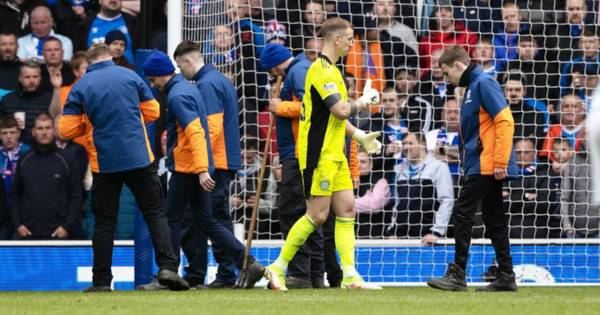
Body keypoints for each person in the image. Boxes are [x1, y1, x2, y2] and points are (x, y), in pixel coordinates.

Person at [263, 17, 383, 291]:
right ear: (337, 39)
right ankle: (277, 267)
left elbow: (336, 118)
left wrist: (359, 136)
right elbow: (341, 110)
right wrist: (364, 102)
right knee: (317, 215)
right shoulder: (319, 71)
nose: (353, 43)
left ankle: (350, 276)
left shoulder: (334, 71)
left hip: (336, 153)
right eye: (350, 38)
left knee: (347, 210)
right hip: (318, 156)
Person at [57, 44, 187, 292]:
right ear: (110, 57)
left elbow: (65, 130)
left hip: (105, 163)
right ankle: (168, 267)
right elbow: (154, 112)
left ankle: (102, 281)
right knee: (155, 214)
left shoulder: (81, 86)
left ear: (89, 63)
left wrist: (89, 123)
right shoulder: (131, 76)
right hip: (139, 157)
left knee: (104, 223)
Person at [142, 50, 265, 289]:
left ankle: (171, 272)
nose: (151, 83)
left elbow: (202, 132)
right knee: (207, 220)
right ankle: (245, 261)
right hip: (205, 163)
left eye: (152, 78)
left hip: (193, 166)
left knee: (174, 218)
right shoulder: (197, 86)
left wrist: (202, 168)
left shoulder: (187, 91)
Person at [427, 45, 518, 292]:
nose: (447, 79)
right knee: (493, 218)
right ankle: (506, 276)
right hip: (482, 163)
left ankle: (458, 274)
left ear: (458, 66)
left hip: (487, 164)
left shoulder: (483, 84)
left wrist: (500, 162)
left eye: (447, 74)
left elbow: (505, 121)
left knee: (462, 212)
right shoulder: (472, 87)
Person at [173, 40, 246, 289]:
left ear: (188, 61)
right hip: (223, 158)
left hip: (216, 161)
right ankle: (212, 272)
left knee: (210, 219)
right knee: (211, 217)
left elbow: (210, 129)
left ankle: (225, 273)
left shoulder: (206, 84)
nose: (181, 72)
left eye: (180, 66)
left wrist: (202, 165)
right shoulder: (219, 80)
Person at [258, 42, 326, 289]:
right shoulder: (301, 69)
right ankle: (316, 274)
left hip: (300, 154)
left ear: (274, 66)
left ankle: (300, 273)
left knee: (291, 212)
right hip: (299, 153)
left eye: (270, 71)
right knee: (309, 214)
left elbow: (313, 106)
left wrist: (281, 107)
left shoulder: (297, 72)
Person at [11, 113, 82, 240]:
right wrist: (18, 225)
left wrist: (66, 226)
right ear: (33, 132)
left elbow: (76, 196)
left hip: (60, 234)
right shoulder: (24, 159)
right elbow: (15, 195)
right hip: (28, 234)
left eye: (48, 128)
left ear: (54, 130)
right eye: (40, 128)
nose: (44, 132)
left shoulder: (67, 159)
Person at [393, 132, 454, 244]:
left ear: (422, 144)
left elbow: (447, 201)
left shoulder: (439, 167)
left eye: (410, 143)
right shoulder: (399, 169)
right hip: (401, 238)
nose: (406, 147)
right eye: (404, 143)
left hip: (427, 237)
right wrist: (392, 230)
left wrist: (436, 232)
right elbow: (397, 203)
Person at [0, 61, 52, 144]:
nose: (31, 80)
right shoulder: (7, 100)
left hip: (42, 149)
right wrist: (11, 122)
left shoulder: (50, 99)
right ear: (20, 78)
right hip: (15, 149)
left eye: (35, 77)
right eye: (27, 77)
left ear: (40, 78)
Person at [75, 0, 139, 64]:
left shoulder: (134, 22)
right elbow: (79, 57)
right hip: (96, 72)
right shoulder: (84, 25)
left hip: (130, 71)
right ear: (99, 1)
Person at [0, 116, 30, 239]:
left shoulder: (29, 152)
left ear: (18, 133)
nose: (8, 136)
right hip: (3, 214)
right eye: (4, 133)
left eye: (12, 132)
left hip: (24, 214)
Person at [425, 98, 461, 179]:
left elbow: (468, 157)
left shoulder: (469, 135)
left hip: (463, 182)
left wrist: (441, 150)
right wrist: (456, 158)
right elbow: (429, 159)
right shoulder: (430, 135)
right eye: (448, 112)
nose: (452, 116)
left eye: (456, 112)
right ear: (442, 116)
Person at [0, 31, 21, 99]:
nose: (8, 47)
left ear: (17, 46)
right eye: (3, 44)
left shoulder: (26, 69)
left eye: (11, 44)